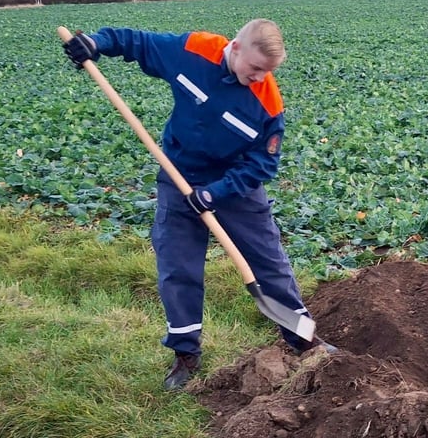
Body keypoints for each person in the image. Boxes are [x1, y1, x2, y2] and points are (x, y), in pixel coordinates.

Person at [63, 19, 334, 391]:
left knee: (268, 262)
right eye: (255, 68)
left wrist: (215, 193)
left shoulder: (266, 103)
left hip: (235, 187)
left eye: (268, 71)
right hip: (179, 174)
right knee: (178, 267)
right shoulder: (193, 52)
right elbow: (137, 41)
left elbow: (263, 164)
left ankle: (303, 338)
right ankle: (185, 354)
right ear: (235, 48)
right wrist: (95, 43)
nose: (260, 77)